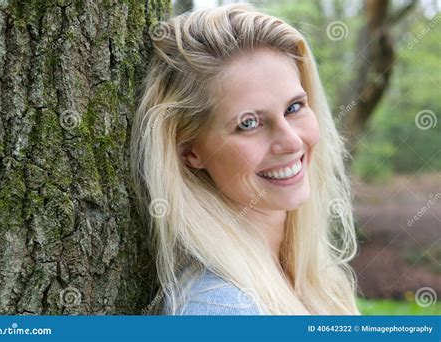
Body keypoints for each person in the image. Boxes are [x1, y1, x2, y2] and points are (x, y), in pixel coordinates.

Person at [131, 3, 360, 315]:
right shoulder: (221, 307)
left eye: (294, 107)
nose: (291, 141)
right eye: (249, 124)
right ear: (189, 151)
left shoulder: (301, 275)